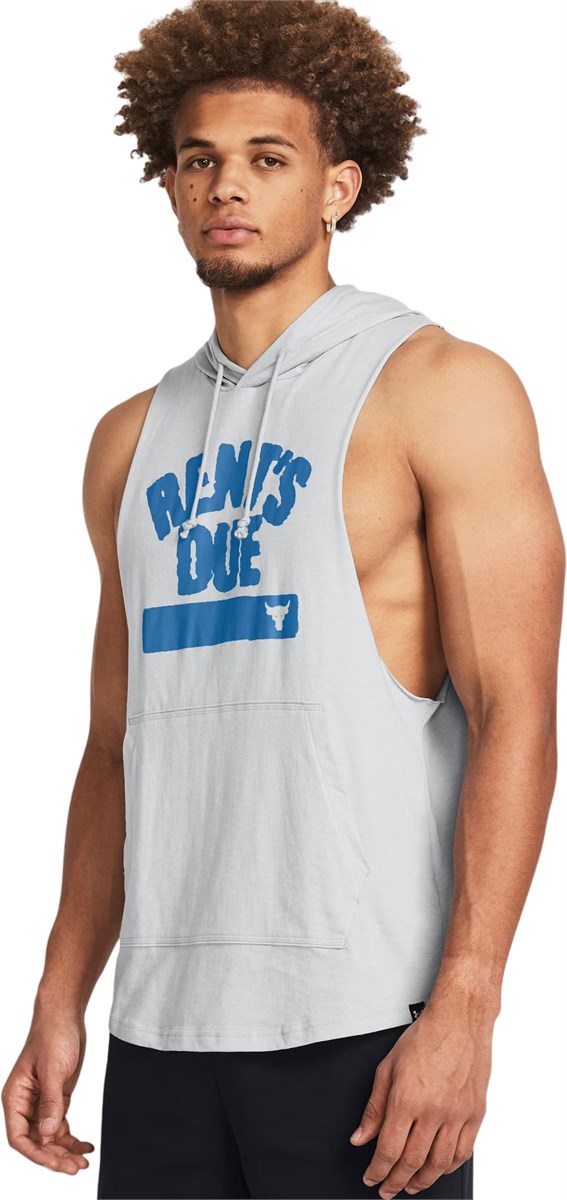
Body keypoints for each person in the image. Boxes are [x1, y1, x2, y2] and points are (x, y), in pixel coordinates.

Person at [2, 1, 564, 1197]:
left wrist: (468, 1003)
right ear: (169, 184)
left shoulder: (441, 387)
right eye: (199, 159)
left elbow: (516, 711)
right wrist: (60, 996)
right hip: (160, 1030)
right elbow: (112, 745)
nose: (227, 186)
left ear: (338, 187)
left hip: (365, 1026)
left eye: (268, 159)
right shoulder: (127, 441)